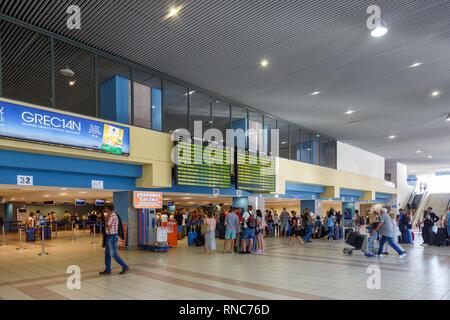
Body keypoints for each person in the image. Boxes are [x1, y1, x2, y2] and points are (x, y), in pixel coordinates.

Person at [99, 204, 129, 275]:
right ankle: (107, 269)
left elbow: (108, 226)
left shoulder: (112, 216)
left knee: (113, 254)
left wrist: (106, 218)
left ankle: (125, 266)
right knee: (107, 253)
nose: (105, 210)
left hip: (112, 237)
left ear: (108, 209)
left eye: (105, 208)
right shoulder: (111, 215)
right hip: (109, 236)